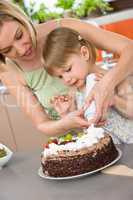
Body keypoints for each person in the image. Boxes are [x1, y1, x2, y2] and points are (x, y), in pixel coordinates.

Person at [0, 0, 133, 136]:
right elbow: (42, 124)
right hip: (81, 143)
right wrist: (66, 120)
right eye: (7, 50)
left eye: (19, 35)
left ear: (21, 19)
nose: (21, 50)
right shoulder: (7, 69)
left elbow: (130, 49)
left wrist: (107, 84)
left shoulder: (64, 29)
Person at [43, 27, 133, 143]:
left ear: (84, 53)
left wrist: (115, 100)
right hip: (107, 151)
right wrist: (67, 113)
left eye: (68, 69)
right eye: (60, 76)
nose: (66, 79)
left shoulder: (113, 79)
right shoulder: (76, 93)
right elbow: (83, 130)